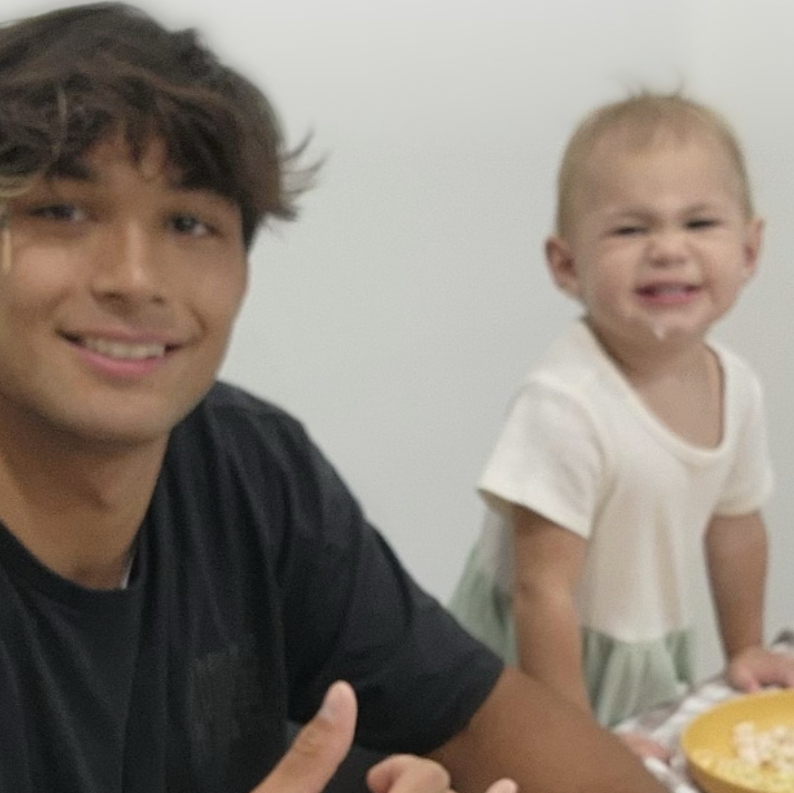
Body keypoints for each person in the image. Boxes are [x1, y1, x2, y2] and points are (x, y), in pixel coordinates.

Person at [0, 3, 669, 792]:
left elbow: (476, 714)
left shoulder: (250, 466)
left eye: (188, 222)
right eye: (61, 211)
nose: (134, 279)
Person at [449, 91, 794, 760]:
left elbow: (736, 526)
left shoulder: (737, 386)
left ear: (750, 249)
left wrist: (745, 647)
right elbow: (541, 591)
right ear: (566, 264)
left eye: (699, 222)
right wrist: (578, 740)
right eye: (631, 230)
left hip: (644, 647)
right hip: (532, 666)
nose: (668, 249)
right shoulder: (565, 404)